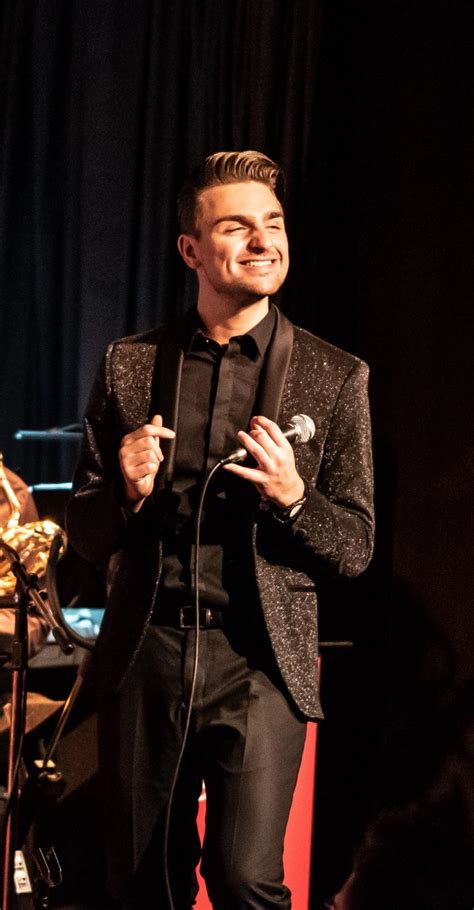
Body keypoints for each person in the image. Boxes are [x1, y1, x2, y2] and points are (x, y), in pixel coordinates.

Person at [66, 150, 375, 910]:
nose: (263, 241)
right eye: (237, 227)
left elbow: (356, 547)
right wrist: (126, 493)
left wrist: (295, 498)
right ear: (191, 249)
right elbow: (85, 530)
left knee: (244, 879)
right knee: (142, 882)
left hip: (260, 662)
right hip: (148, 652)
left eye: (274, 224)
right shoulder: (131, 364)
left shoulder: (336, 376)